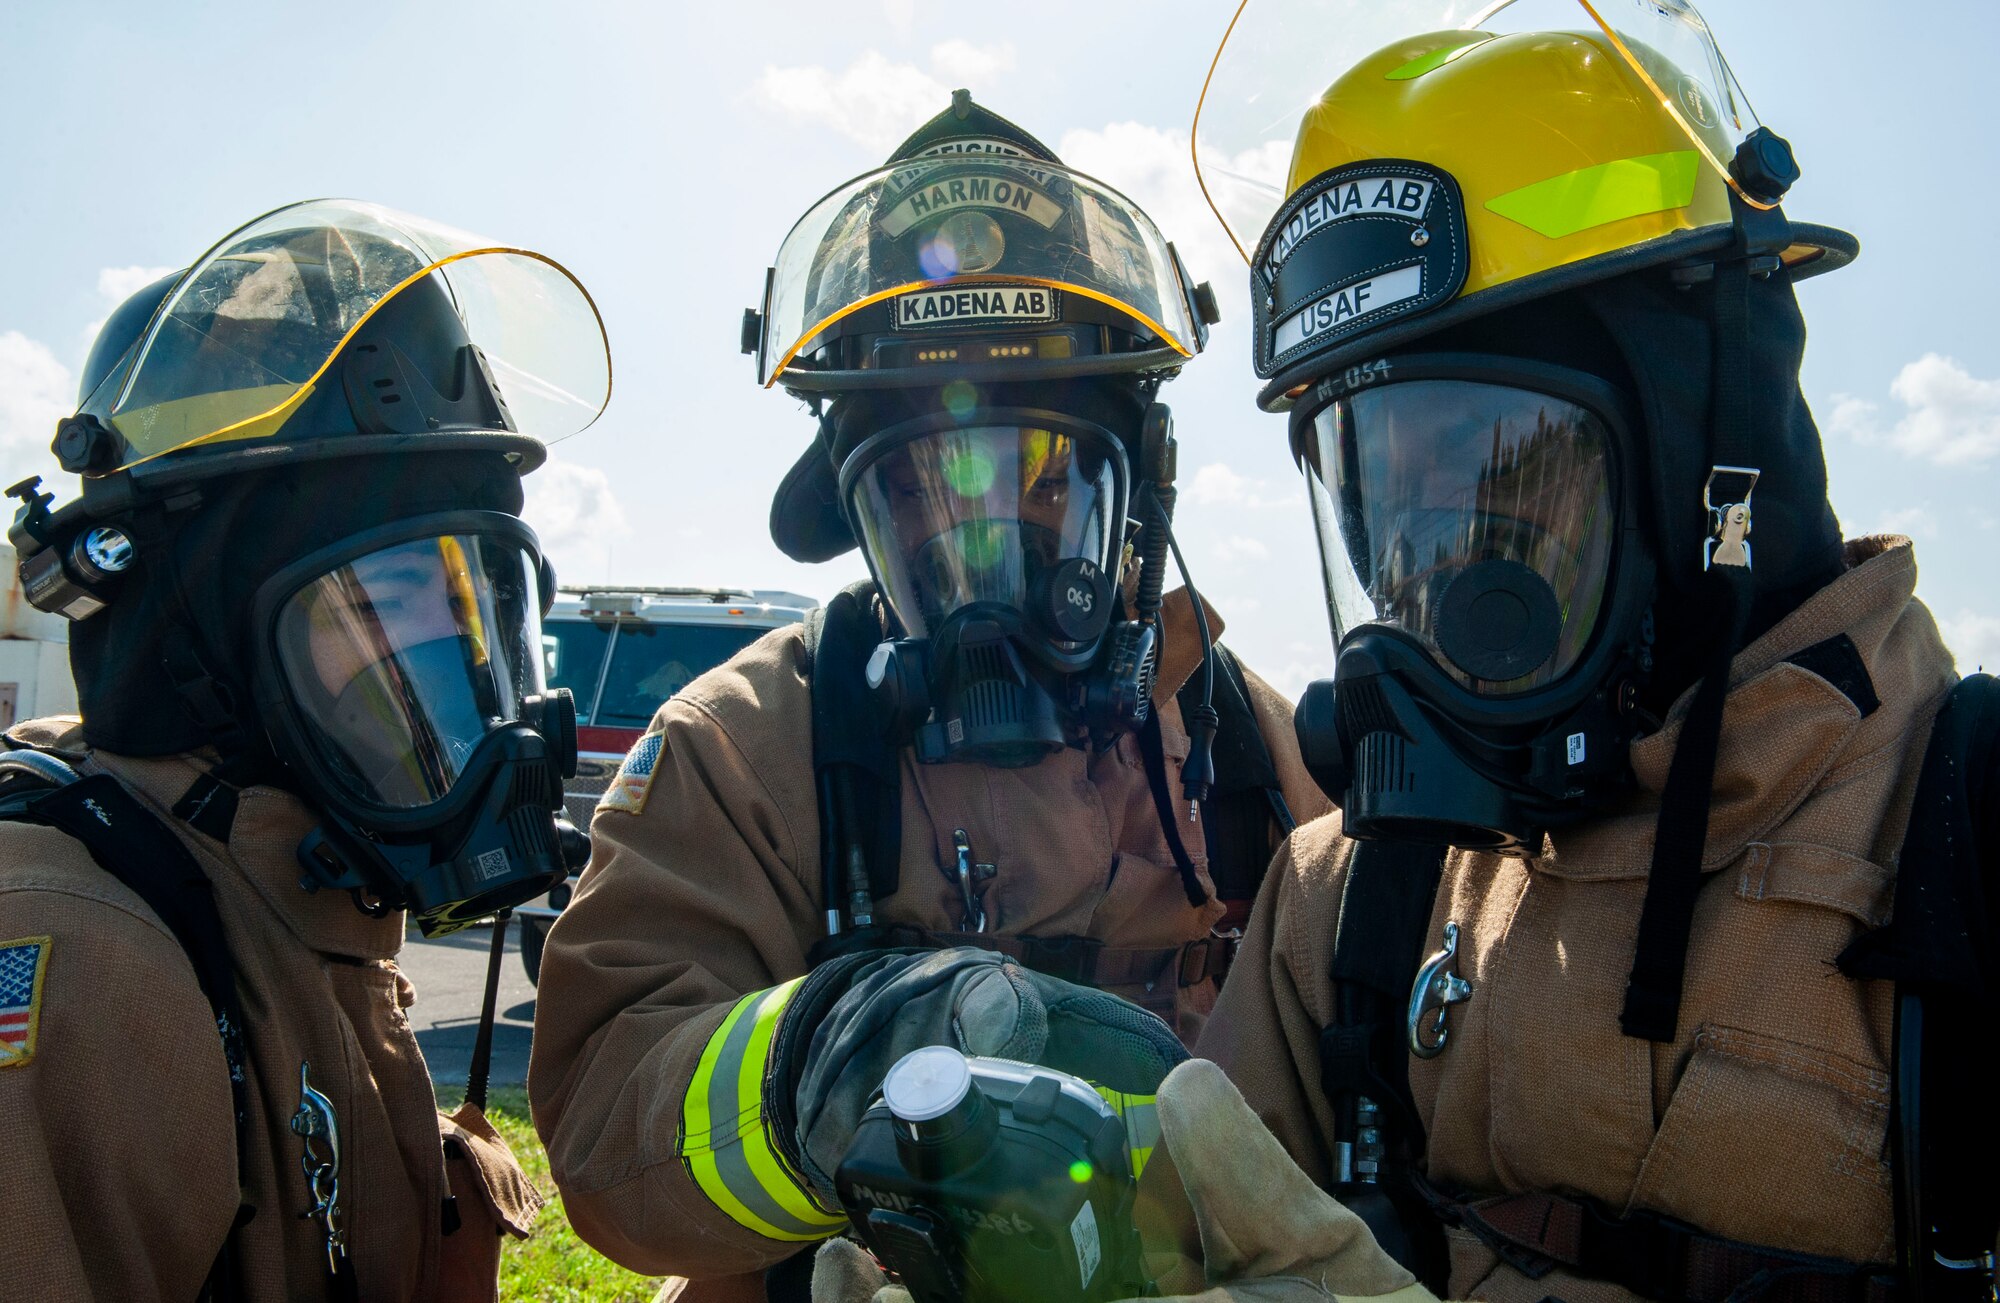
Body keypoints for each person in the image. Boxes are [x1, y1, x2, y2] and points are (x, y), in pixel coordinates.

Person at [1182, 2, 1998, 1299]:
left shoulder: (1968, 850)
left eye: (1496, 473)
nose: (1434, 577)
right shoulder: (1345, 903)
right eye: (1391, 500)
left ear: (1708, 450)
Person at [528, 92, 1330, 1300]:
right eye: (916, 493)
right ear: (856, 517)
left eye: (1038, 480)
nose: (975, 552)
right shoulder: (743, 752)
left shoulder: (1250, 746)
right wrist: (828, 1061)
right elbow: (604, 1118)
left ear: (1142, 493)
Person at [0, 199, 610, 1301]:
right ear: (205, 644)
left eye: (468, 603)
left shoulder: (288, 907)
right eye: (383, 605)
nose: (448, 661)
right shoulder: (87, 961)